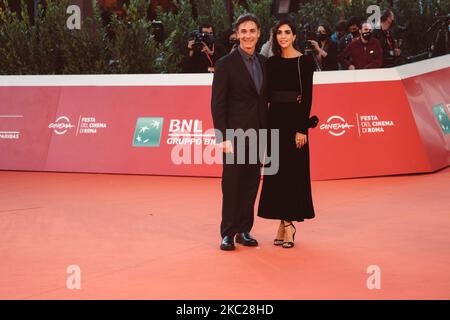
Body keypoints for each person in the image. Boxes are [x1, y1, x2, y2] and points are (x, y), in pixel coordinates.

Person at [211, 13, 268, 251]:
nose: (248, 35)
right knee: (232, 183)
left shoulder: (265, 62)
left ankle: (245, 229)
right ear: (237, 34)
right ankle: (228, 232)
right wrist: (222, 137)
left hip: (260, 133)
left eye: (252, 31)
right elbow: (218, 103)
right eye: (243, 31)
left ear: (258, 33)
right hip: (234, 136)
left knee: (251, 182)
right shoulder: (225, 64)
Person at [258, 18, 316, 249]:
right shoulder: (271, 62)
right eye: (279, 33)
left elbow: (308, 96)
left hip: (294, 123)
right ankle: (283, 222)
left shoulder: (305, 61)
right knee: (277, 175)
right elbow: (265, 94)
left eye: (287, 32)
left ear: (294, 36)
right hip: (275, 121)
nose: (283, 36)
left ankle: (289, 224)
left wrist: (302, 128)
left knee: (293, 174)